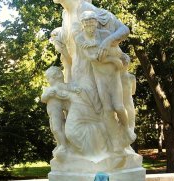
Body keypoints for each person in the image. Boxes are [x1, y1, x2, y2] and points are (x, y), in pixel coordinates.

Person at [75, 11, 134, 148]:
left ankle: (126, 130)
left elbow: (117, 52)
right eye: (87, 23)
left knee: (118, 106)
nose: (90, 26)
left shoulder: (105, 35)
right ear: (83, 24)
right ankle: (114, 141)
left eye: (93, 23)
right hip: (100, 77)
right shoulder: (79, 38)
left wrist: (116, 58)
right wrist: (112, 60)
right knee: (107, 109)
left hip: (113, 75)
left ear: (96, 23)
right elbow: (92, 58)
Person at [41, 66, 69, 159]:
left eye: (49, 78)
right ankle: (59, 144)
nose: (48, 80)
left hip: (57, 113)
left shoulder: (59, 88)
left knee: (57, 129)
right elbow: (43, 99)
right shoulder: (48, 89)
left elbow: (66, 98)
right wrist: (48, 95)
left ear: (55, 77)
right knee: (54, 129)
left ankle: (64, 145)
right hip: (51, 114)